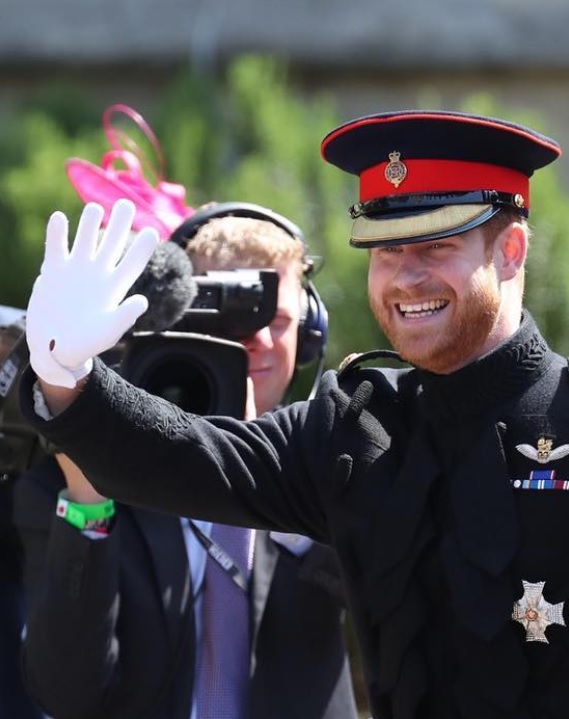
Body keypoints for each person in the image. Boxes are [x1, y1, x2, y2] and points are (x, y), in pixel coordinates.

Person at [17, 110, 569, 718]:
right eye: (384, 250)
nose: (404, 276)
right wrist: (66, 376)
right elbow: (187, 456)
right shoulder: (356, 429)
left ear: (510, 249)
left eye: (436, 246)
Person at [13, 204, 358, 719]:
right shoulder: (81, 477)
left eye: (276, 319)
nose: (256, 340)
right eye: (228, 316)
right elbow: (65, 695)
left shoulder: (337, 458)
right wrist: (88, 501)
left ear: (310, 335)